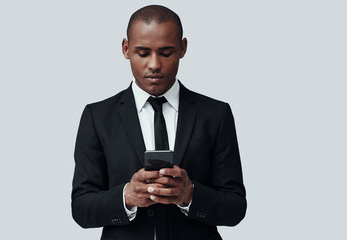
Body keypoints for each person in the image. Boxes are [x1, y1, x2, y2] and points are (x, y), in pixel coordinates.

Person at [72, 5, 246, 240]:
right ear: (126, 48)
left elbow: (236, 207)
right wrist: (126, 197)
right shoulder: (98, 116)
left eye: (166, 53)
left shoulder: (216, 114)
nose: (154, 64)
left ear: (183, 48)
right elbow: (81, 208)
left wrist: (191, 194)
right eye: (143, 53)